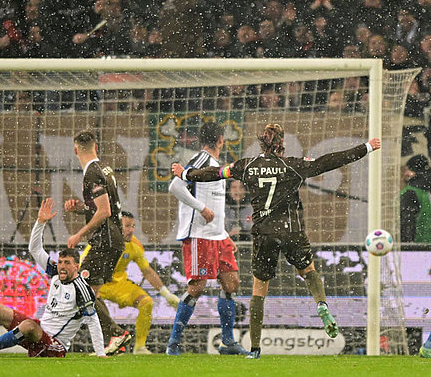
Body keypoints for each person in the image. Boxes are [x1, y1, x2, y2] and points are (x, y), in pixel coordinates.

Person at [172, 123, 381, 359]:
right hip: (291, 230)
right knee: (309, 270)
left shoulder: (247, 166)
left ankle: (255, 349)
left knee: (259, 289)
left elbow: (214, 173)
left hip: (264, 233)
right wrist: (366, 147)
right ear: (281, 143)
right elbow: (328, 161)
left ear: (262, 142)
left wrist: (186, 173)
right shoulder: (293, 166)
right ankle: (321, 303)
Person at [0, 198, 106, 358]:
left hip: (55, 346)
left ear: (77, 267)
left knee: (28, 325)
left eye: (67, 263)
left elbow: (93, 321)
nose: (62, 266)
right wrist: (40, 222)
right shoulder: (56, 272)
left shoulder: (82, 289)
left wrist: (100, 354)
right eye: (61, 262)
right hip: (38, 332)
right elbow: (35, 249)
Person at [166, 121, 248, 356]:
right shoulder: (201, 160)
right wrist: (200, 208)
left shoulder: (215, 166)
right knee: (197, 287)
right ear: (221, 140)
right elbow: (175, 186)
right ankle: (173, 343)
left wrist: (223, 234)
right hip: (199, 235)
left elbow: (216, 206)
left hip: (217, 236)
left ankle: (228, 342)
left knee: (231, 283)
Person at [64, 130, 132, 355]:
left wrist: (79, 234)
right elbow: (101, 207)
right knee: (91, 293)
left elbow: (104, 211)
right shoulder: (105, 169)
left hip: (105, 241)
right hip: (113, 241)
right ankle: (115, 339)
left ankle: (116, 333)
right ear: (96, 147)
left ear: (75, 150)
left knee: (82, 290)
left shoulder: (91, 173)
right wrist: (80, 209)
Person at [80, 211, 180, 354]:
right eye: (127, 226)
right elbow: (82, 267)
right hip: (98, 284)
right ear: (117, 227)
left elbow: (147, 271)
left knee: (147, 302)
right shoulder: (101, 241)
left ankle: (139, 347)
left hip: (119, 285)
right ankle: (108, 345)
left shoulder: (135, 245)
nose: (131, 230)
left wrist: (167, 295)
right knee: (94, 307)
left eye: (133, 226)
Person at [400, 155, 431, 243]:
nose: (405, 174)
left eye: (407, 170)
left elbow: (407, 224)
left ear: (415, 171)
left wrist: (406, 245)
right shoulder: (426, 190)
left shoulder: (410, 193)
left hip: (417, 248)